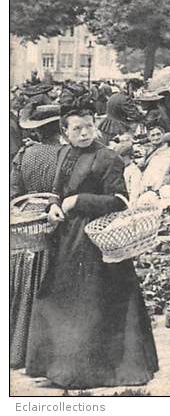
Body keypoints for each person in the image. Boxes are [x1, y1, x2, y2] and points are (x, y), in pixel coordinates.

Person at [26, 86, 158, 388]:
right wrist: (54, 206)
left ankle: (89, 370)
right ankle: (60, 365)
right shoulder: (64, 155)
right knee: (61, 301)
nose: (85, 133)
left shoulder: (107, 157)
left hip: (98, 241)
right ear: (65, 132)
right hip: (67, 241)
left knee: (93, 304)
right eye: (77, 128)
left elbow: (119, 201)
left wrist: (79, 202)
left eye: (89, 126)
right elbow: (57, 192)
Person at [9, 103, 62, 370]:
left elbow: (12, 193)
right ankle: (47, 353)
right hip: (56, 228)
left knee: (25, 288)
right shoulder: (66, 154)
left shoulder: (24, 154)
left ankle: (18, 348)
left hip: (28, 229)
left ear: (37, 131)